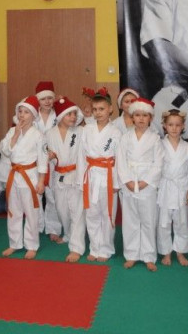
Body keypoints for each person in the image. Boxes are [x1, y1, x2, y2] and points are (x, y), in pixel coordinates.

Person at [116, 97, 164, 271]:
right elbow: (120, 160)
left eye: (145, 115)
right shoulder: (125, 137)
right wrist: (127, 180)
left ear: (150, 117)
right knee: (130, 220)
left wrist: (146, 181)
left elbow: (158, 163)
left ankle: (149, 255)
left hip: (147, 184)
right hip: (129, 182)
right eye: (137, 115)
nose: (141, 118)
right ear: (132, 117)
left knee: (148, 220)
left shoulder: (155, 138)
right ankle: (131, 254)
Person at [0, 95, 48, 259]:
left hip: (30, 176)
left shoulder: (38, 135)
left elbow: (43, 160)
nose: (22, 115)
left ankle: (32, 245)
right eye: (20, 111)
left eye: (26, 112)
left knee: (31, 212)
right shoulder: (12, 131)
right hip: (14, 175)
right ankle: (14, 243)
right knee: (13, 211)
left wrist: (41, 181)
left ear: (33, 115)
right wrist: (14, 136)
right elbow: (4, 150)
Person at [76, 88, 122, 262]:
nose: (98, 113)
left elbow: (119, 159)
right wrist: (81, 180)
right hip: (91, 175)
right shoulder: (86, 130)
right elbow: (81, 156)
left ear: (110, 109)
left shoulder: (116, 132)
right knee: (92, 214)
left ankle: (106, 249)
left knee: (107, 214)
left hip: (108, 175)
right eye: (95, 109)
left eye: (102, 109)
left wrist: (116, 182)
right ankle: (94, 248)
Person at [46, 97, 85, 262]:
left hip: (76, 174)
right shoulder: (49, 134)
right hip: (58, 177)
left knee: (77, 212)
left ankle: (77, 247)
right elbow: (43, 153)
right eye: (69, 114)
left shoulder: (80, 132)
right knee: (62, 211)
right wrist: (48, 156)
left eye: (75, 114)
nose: (73, 117)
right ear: (61, 116)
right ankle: (68, 234)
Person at [156, 110, 188, 267]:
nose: (174, 128)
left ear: (183, 126)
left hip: (181, 187)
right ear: (164, 126)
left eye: (178, 125)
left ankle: (180, 251)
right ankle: (166, 252)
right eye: (170, 124)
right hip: (165, 186)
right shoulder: (159, 144)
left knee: (182, 221)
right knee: (164, 222)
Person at [34, 81, 62, 242]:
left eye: (50, 98)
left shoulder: (59, 115)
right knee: (36, 195)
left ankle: (53, 228)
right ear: (37, 100)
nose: (47, 101)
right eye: (43, 98)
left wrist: (61, 102)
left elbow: (76, 117)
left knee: (52, 196)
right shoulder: (32, 114)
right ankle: (36, 226)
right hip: (34, 161)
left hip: (52, 161)